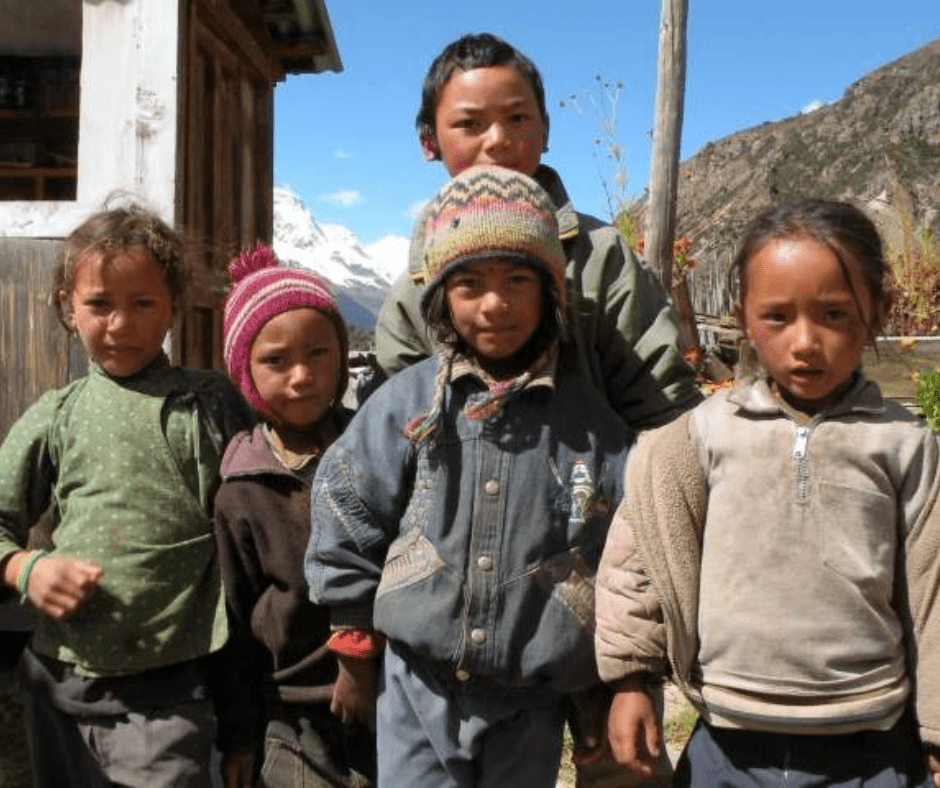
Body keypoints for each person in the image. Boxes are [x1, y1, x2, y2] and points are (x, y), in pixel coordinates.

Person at [594, 198, 940, 788]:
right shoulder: (701, 437)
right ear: (743, 318)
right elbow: (641, 557)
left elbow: (935, 596)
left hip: (869, 751)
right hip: (727, 747)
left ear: (877, 313)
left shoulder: (905, 445)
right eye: (777, 317)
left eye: (834, 314)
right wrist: (632, 681)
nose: (805, 342)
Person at [305, 165, 632, 787]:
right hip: (414, 688)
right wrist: (352, 645)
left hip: (530, 701)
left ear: (550, 292)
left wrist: (595, 682)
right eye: (470, 283)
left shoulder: (590, 426)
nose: (495, 303)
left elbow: (615, 551)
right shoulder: (406, 407)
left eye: (517, 279)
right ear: (440, 300)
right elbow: (348, 510)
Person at [0, 205, 253, 788]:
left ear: (173, 306)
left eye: (142, 303)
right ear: (69, 305)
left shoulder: (209, 405)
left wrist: (243, 718)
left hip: (169, 692)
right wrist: (24, 566)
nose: (120, 324)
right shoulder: (55, 417)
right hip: (58, 685)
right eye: (99, 304)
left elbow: (251, 536)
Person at [374, 31, 701, 433]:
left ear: (544, 131)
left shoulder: (601, 259)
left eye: (517, 118)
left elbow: (664, 412)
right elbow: (393, 431)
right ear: (429, 141)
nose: (498, 140)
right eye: (470, 123)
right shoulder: (414, 291)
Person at [213, 243, 374, 788]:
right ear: (245, 372)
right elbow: (235, 622)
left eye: (319, 354)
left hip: (389, 696)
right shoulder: (241, 488)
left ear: (342, 357)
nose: (301, 376)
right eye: (276, 361)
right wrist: (238, 736)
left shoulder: (376, 453)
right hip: (291, 716)